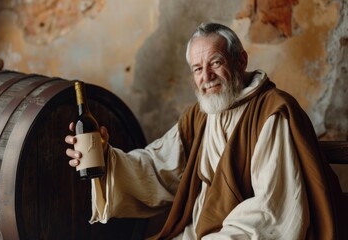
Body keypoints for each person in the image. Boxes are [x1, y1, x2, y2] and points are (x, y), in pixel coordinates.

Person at [65, 23, 345, 239]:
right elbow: (158, 166)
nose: (206, 77)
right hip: (198, 230)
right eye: (197, 68)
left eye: (215, 62)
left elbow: (272, 208)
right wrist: (105, 157)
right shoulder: (200, 114)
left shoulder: (272, 112)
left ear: (241, 61)